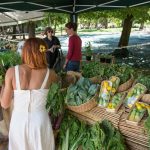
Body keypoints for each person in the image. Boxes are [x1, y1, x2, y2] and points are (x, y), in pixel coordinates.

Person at [0, 38, 57, 150]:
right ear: (43, 52)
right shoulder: (51, 74)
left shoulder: (11, 72)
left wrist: (4, 87)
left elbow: (5, 104)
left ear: (25, 51)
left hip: (19, 121)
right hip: (40, 122)